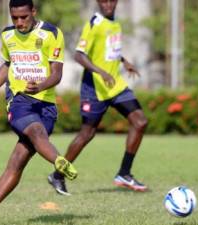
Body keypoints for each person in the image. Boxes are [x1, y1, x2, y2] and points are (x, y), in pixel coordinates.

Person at [0, 0, 77, 224]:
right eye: (14, 18)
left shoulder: (51, 33)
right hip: (19, 101)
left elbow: (57, 73)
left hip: (46, 105)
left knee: (17, 162)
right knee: (36, 132)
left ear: (33, 12)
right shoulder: (8, 35)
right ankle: (59, 162)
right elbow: (7, 67)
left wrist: (41, 86)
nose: (19, 23)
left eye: (24, 17)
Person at [47, 0, 148, 196]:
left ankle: (124, 173)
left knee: (140, 121)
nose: (108, 4)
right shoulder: (94, 24)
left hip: (115, 85)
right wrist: (101, 72)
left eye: (111, 0)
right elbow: (79, 55)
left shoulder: (115, 22)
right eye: (103, 1)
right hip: (94, 89)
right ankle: (58, 175)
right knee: (87, 134)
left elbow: (107, 50)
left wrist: (124, 61)